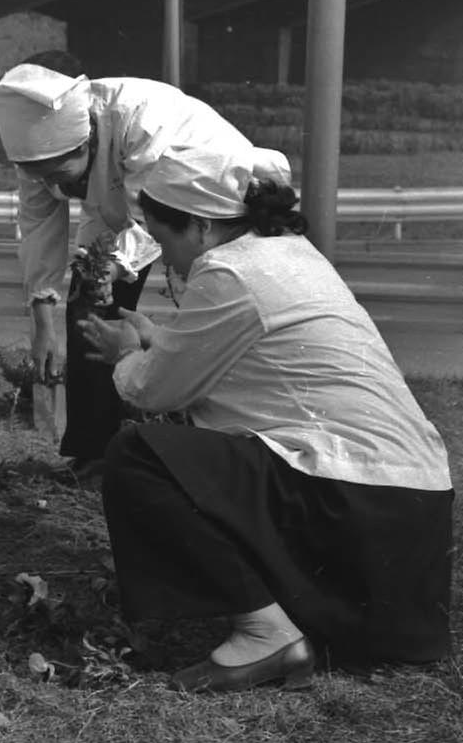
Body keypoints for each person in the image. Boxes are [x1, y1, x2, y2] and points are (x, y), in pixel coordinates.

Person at [79, 145, 453, 692]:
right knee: (207, 447)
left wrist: (125, 353)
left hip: (353, 497)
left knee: (141, 455)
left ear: (203, 227)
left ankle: (265, 633)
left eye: (165, 239)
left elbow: (154, 389)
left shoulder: (228, 273)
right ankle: (305, 617)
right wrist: (157, 339)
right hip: (404, 511)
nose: (167, 259)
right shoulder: (286, 253)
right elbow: (240, 357)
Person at [0, 60, 289, 476]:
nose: (56, 190)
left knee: (213, 308)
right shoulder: (42, 159)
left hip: (208, 202)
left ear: (87, 143)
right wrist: (42, 321)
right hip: (128, 207)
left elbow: (154, 217)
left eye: (62, 177)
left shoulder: (140, 119)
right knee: (87, 306)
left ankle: (230, 438)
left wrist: (114, 267)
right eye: (40, 177)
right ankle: (95, 452)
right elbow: (40, 225)